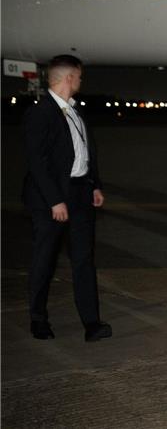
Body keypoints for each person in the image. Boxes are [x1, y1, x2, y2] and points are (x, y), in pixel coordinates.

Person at [22, 54, 112, 342]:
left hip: (81, 194)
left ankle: (92, 323)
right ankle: (38, 319)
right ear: (69, 77)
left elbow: (86, 152)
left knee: (84, 260)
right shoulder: (40, 113)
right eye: (80, 76)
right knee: (45, 260)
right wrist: (54, 200)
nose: (81, 81)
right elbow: (37, 162)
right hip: (50, 198)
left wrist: (94, 184)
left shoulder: (75, 110)